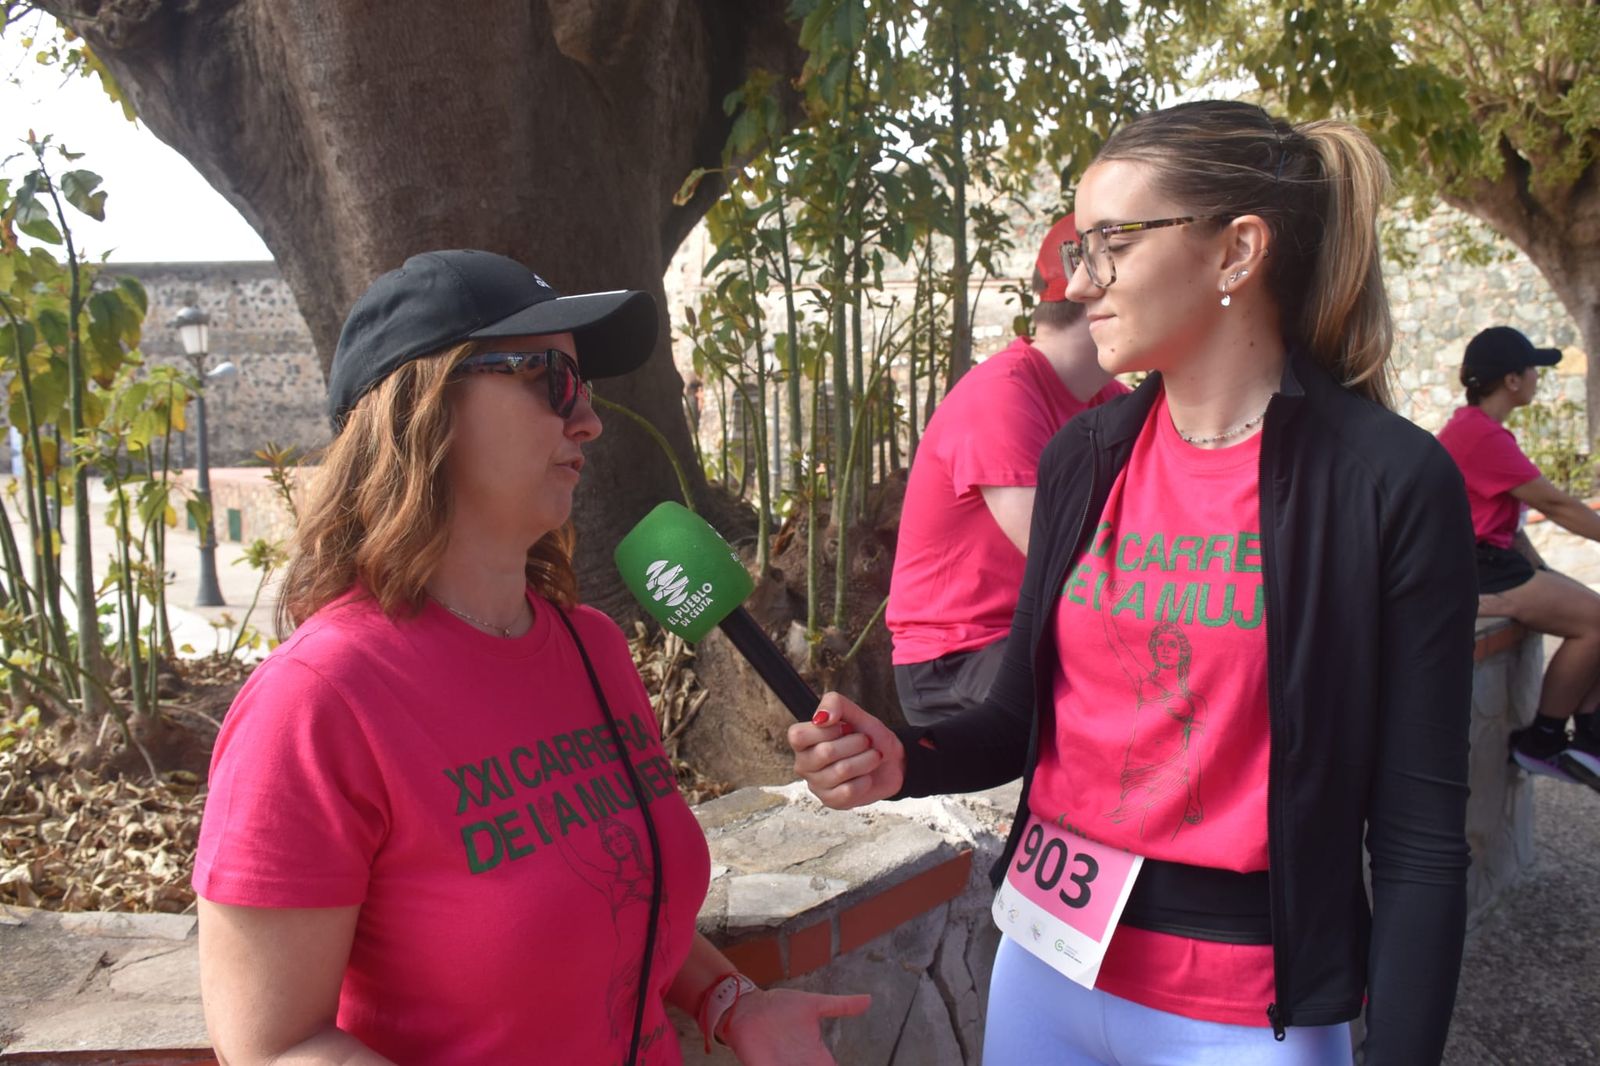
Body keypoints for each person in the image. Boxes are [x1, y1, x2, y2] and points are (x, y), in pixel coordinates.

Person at [788, 100, 1476, 1065]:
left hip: (1248, 1009)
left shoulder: (1387, 486)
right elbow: (1021, 720)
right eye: (1078, 246)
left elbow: (1419, 838)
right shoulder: (1086, 456)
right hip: (1047, 964)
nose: (1080, 281)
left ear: (1238, 251)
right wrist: (906, 757)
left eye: (1111, 242)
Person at [192, 249, 869, 1065]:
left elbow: (617, 893)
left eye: (586, 390)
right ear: (426, 404)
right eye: (552, 380)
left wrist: (732, 1002)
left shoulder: (594, 648)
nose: (588, 421)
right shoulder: (315, 703)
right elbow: (273, 1048)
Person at [887, 213, 1127, 725]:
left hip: (1029, 633)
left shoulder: (1105, 397)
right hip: (955, 659)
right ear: (1093, 296)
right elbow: (1068, 561)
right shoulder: (1002, 397)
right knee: (1127, 689)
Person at [1436, 325, 1600, 791]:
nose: (1536, 378)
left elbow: (1511, 519)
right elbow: (1557, 506)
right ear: (1511, 380)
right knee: (1595, 621)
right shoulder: (1479, 436)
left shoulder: (1478, 430)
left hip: (1493, 559)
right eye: (1533, 370)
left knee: (1591, 611)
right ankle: (1543, 740)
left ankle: (1588, 736)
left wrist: (1547, 574)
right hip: (1475, 567)